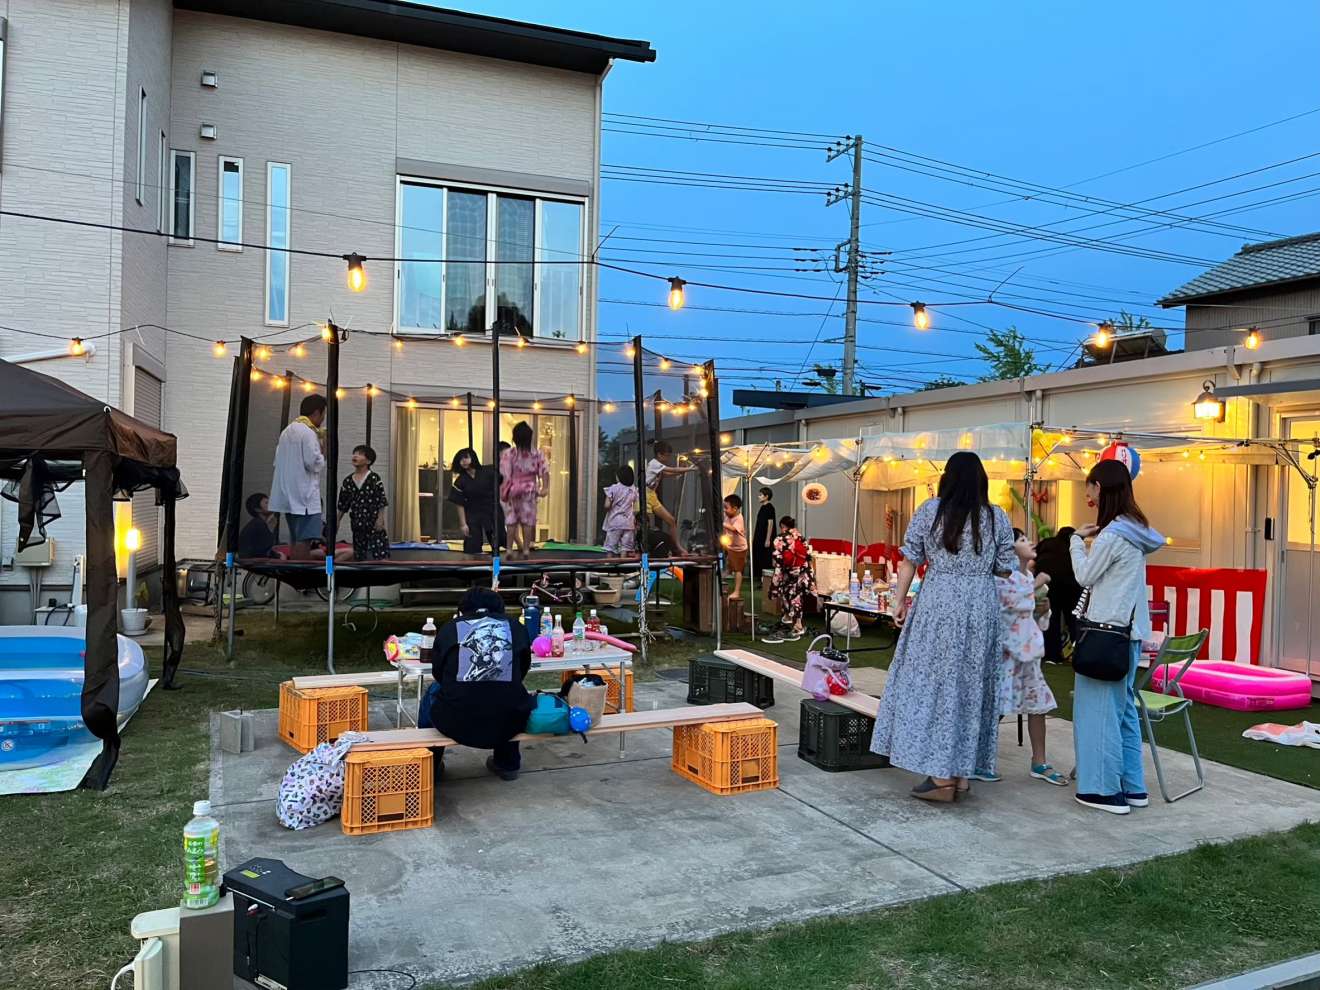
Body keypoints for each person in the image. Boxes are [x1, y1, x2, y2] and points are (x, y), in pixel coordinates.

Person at [869, 451, 1016, 804]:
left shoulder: (930, 511)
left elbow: (910, 559)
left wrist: (898, 601)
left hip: (938, 603)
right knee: (970, 687)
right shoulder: (996, 516)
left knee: (933, 684)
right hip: (979, 608)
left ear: (946, 478)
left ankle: (940, 777)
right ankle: (961, 774)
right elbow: (1005, 567)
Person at [1070, 460, 1164, 815]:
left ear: (1100, 488)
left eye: (1090, 487)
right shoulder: (1137, 531)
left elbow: (1084, 576)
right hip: (1130, 635)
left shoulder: (1112, 536)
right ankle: (1132, 786)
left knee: (1098, 715)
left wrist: (1075, 541)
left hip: (1105, 633)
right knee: (1123, 713)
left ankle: (1102, 790)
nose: (1088, 494)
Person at [417, 588, 534, 781]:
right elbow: (522, 669)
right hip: (509, 722)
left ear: (462, 609)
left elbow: (439, 673)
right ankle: (507, 764)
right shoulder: (515, 627)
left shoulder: (450, 628)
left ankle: (430, 766)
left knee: (433, 690)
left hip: (454, 721)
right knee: (511, 692)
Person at [997, 528, 1067, 787]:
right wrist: (1036, 585)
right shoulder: (1003, 577)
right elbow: (1008, 603)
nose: (1031, 543)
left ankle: (1039, 760)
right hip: (1008, 656)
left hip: (1029, 654)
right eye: (1023, 540)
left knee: (1038, 705)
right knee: (997, 706)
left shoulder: (1028, 577)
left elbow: (1033, 616)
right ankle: (980, 758)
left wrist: (1042, 610)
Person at [268, 394, 326, 559]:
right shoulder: (308, 433)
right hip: (304, 497)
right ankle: (302, 573)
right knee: (304, 539)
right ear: (316, 412)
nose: (323, 419)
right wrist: (324, 451)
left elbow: (277, 461)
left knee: (295, 538)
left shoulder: (287, 431)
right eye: (323, 414)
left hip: (288, 495)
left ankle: (295, 571)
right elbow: (313, 463)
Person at [499, 422, 549, 561]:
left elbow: (505, 473)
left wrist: (504, 489)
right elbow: (544, 470)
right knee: (527, 521)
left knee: (511, 520)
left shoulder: (509, 453)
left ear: (515, 437)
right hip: (529, 488)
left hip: (513, 488)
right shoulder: (537, 454)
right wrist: (545, 487)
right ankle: (526, 549)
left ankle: (509, 549)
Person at [1034, 525, 1081, 663]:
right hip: (1070, 586)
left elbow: (1035, 559)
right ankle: (1079, 654)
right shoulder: (1073, 547)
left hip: (1048, 586)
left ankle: (1051, 655)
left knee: (1051, 619)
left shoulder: (1046, 543)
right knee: (1074, 619)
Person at [764, 515, 814, 643]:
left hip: (788, 572)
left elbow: (777, 557)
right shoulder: (801, 537)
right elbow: (808, 555)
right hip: (801, 571)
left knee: (788, 596)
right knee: (797, 597)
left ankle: (797, 626)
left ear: (783, 526)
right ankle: (793, 622)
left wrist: (777, 578)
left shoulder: (780, 539)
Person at [336, 444, 389, 561]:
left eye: (360, 454)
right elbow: (343, 503)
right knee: (359, 555)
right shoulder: (348, 481)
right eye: (354, 453)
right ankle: (330, 569)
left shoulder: (374, 478)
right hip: (357, 523)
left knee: (380, 554)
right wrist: (337, 520)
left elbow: (381, 499)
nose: (355, 456)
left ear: (368, 461)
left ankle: (383, 570)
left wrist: (380, 518)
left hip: (373, 521)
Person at [645, 440, 696, 554]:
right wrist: (689, 469)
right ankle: (643, 549)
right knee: (645, 525)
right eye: (666, 455)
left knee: (671, 521)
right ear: (659, 454)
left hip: (652, 495)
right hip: (645, 495)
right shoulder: (654, 464)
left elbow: (668, 474)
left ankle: (676, 547)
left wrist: (682, 471)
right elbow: (672, 470)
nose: (668, 458)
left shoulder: (658, 467)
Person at [448, 447, 501, 556]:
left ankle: (498, 560)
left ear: (473, 457)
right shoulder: (460, 480)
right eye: (461, 459)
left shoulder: (488, 471)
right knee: (472, 546)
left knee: (498, 540)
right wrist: (463, 524)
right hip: (472, 511)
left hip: (490, 509)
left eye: (466, 457)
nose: (464, 461)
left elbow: (503, 483)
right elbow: (459, 503)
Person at [602, 464, 639, 554]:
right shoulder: (634, 490)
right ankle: (623, 561)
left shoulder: (613, 488)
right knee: (625, 548)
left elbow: (607, 505)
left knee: (610, 548)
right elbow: (636, 509)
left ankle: (609, 562)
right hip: (629, 523)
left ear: (619, 477)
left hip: (615, 522)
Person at [722, 493, 748, 602]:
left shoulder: (739, 518)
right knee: (729, 566)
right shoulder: (728, 516)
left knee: (738, 569)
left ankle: (737, 591)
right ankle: (722, 580)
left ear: (735, 508)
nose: (724, 510)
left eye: (726, 508)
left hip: (739, 548)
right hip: (731, 546)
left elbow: (733, 529)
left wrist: (722, 524)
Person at [238, 493, 279, 559]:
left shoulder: (258, 523)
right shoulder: (258, 524)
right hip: (251, 561)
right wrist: (279, 556)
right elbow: (266, 549)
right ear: (257, 509)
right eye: (266, 503)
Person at [752, 486, 776, 583]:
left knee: (765, 557)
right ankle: (759, 577)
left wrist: (768, 539)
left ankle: (765, 580)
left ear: (766, 496)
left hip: (765, 537)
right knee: (758, 555)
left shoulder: (770, 507)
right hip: (759, 536)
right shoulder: (762, 507)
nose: (759, 496)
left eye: (761, 495)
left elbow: (770, 523)